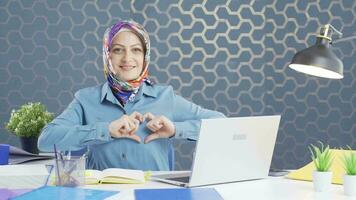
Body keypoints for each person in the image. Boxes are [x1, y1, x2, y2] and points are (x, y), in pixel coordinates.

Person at [38, 20, 225, 171]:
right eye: (118, 50)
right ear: (107, 55)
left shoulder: (165, 98)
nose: (127, 58)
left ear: (145, 56)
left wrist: (175, 129)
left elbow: (221, 123)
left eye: (136, 50)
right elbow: (46, 139)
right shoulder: (85, 100)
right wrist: (106, 130)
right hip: (101, 195)